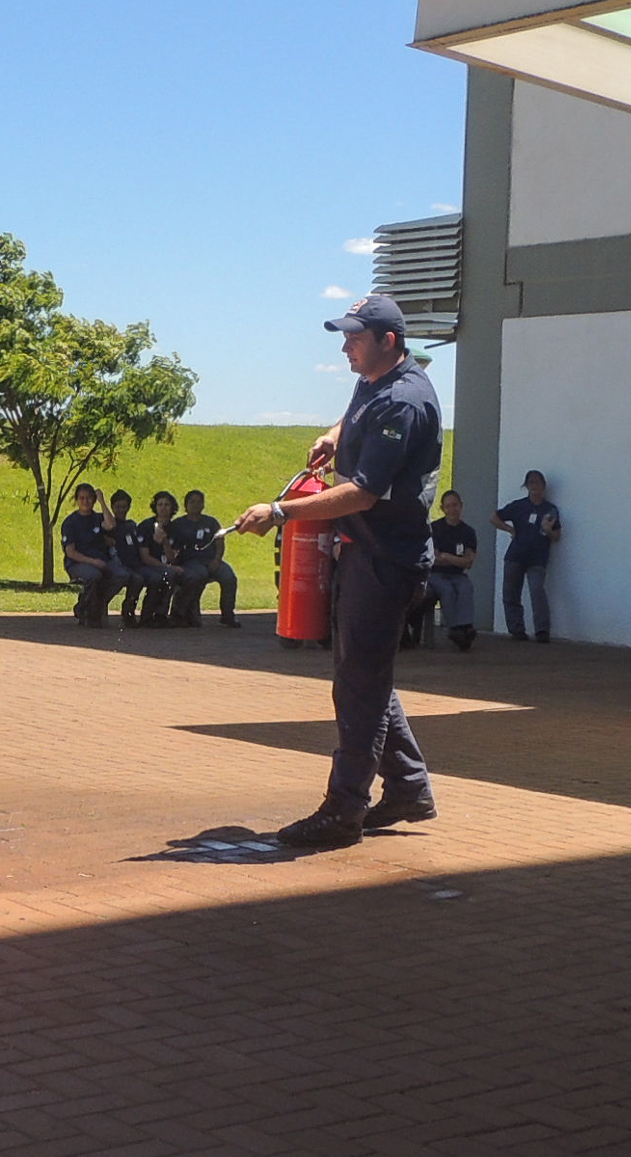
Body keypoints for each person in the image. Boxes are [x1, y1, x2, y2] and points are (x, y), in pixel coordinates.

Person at [236, 293, 443, 848]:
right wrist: (335, 433)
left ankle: (343, 810)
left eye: (355, 337)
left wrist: (280, 512)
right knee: (364, 677)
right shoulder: (376, 382)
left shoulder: (405, 402)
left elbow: (363, 493)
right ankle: (408, 788)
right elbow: (358, 411)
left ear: (388, 341)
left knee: (359, 689)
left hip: (386, 562)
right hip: (366, 556)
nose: (345, 346)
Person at [491, 471, 561, 642]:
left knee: (537, 591)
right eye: (531, 484)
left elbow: (557, 536)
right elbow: (494, 517)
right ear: (527, 486)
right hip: (516, 555)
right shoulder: (519, 506)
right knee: (511, 593)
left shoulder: (550, 509)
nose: (534, 487)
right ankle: (516, 630)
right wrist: (510, 529)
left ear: (543, 486)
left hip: (537, 557)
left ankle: (542, 631)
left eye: (538, 483)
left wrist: (548, 530)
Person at [168, 491, 241, 629]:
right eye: (192, 502)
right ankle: (186, 614)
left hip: (210, 559)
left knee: (229, 577)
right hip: (190, 561)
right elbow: (173, 548)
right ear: (186, 505)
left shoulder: (211, 522)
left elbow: (220, 542)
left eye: (199, 502)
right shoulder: (179, 524)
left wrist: (217, 560)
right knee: (200, 575)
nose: (196, 505)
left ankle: (227, 615)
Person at [60, 483, 118, 629]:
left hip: (101, 560)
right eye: (82, 498)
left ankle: (94, 605)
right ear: (77, 500)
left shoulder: (98, 518)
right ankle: (88, 612)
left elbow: (111, 525)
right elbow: (71, 552)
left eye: (89, 498)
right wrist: (92, 562)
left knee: (123, 575)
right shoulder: (70, 522)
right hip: (78, 563)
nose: (86, 501)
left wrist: (102, 501)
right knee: (94, 576)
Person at [426, 490, 478, 652]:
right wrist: (456, 560)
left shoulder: (468, 532)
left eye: (455, 505)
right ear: (443, 509)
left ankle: (465, 627)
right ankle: (454, 629)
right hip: (436, 574)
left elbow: (469, 561)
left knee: (465, 588)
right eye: (448, 506)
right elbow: (435, 558)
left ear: (461, 506)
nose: (452, 509)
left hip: (457, 574)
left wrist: (447, 556)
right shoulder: (434, 529)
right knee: (447, 590)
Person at [104, 489, 153, 629]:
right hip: (118, 564)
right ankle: (101, 604)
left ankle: (130, 610)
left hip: (134, 564)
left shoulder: (131, 526)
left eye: (124, 507)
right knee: (134, 578)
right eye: (118, 507)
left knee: (144, 578)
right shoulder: (110, 526)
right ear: (112, 507)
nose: (121, 510)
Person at [137, 490, 181, 627]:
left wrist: (165, 542)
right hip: (147, 566)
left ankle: (163, 615)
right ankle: (147, 616)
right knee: (158, 577)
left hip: (167, 566)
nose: (163, 507)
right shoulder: (146, 526)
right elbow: (144, 557)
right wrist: (166, 567)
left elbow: (173, 558)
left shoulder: (176, 529)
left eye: (167, 504)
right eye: (160, 504)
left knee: (174, 575)